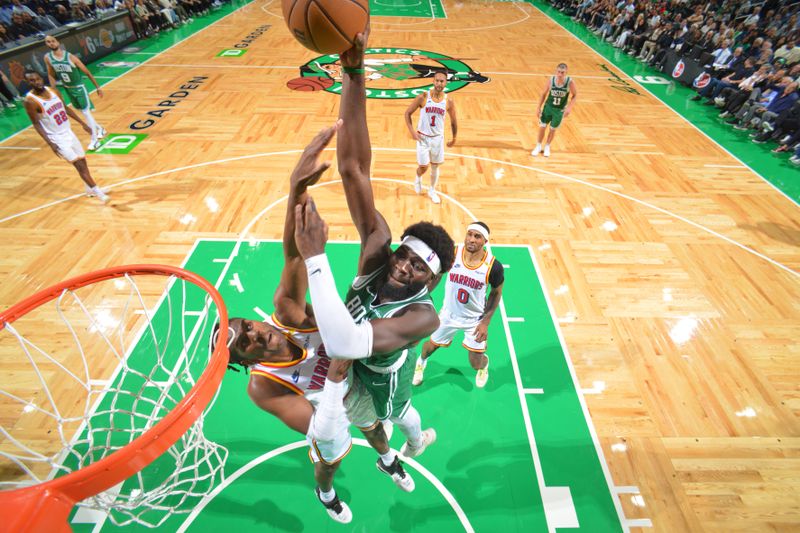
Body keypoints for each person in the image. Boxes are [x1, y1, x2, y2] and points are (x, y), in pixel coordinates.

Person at [292, 23, 455, 488]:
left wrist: (315, 259)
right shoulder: (380, 255)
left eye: (418, 266)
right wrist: (355, 71)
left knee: (391, 417)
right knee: (377, 425)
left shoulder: (422, 316)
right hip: (353, 362)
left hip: (380, 378)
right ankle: (409, 445)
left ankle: (411, 442)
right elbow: (354, 168)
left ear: (431, 280)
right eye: (405, 254)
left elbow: (344, 344)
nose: (403, 265)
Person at [412, 222, 504, 389]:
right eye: (469, 234)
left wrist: (485, 322)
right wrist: (422, 294)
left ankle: (484, 366)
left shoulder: (493, 266)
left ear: (485, 241)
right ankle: (421, 362)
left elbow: (496, 293)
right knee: (429, 347)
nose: (471, 239)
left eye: (477, 236)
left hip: (474, 320)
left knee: (475, 363)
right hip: (448, 314)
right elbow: (438, 275)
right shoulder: (453, 253)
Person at [23, 71, 109, 202]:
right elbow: (36, 124)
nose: (36, 82)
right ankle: (100, 193)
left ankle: (89, 189)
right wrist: (50, 143)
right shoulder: (30, 101)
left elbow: (65, 108)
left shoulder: (53, 91)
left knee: (83, 162)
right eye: (32, 81)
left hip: (68, 132)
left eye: (38, 79)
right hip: (56, 138)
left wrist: (82, 123)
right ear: (27, 82)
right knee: (79, 165)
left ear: (41, 78)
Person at [43, 35, 107, 151]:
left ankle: (94, 140)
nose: (51, 43)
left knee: (86, 113)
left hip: (79, 88)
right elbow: (51, 74)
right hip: (68, 88)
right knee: (83, 112)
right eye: (48, 42)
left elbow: (87, 72)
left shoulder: (70, 57)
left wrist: (98, 87)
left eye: (52, 41)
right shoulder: (48, 58)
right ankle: (100, 128)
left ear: (57, 42)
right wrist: (53, 91)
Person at [404, 69, 457, 204]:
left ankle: (432, 191)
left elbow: (453, 121)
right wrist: (412, 132)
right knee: (423, 167)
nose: (439, 83)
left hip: (437, 138)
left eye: (442, 81)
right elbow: (407, 113)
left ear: (446, 83)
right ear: (433, 81)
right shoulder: (423, 97)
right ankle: (418, 177)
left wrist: (454, 138)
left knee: (435, 167)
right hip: (423, 138)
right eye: (437, 80)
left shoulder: (448, 101)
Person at [531, 63, 577, 158]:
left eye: (562, 72)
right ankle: (538, 146)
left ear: (566, 73)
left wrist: (569, 107)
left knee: (552, 129)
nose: (560, 74)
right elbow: (543, 94)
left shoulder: (570, 82)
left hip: (559, 110)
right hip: (548, 107)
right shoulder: (551, 80)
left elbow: (575, 95)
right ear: (556, 71)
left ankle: (547, 146)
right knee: (542, 127)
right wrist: (538, 107)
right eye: (559, 72)